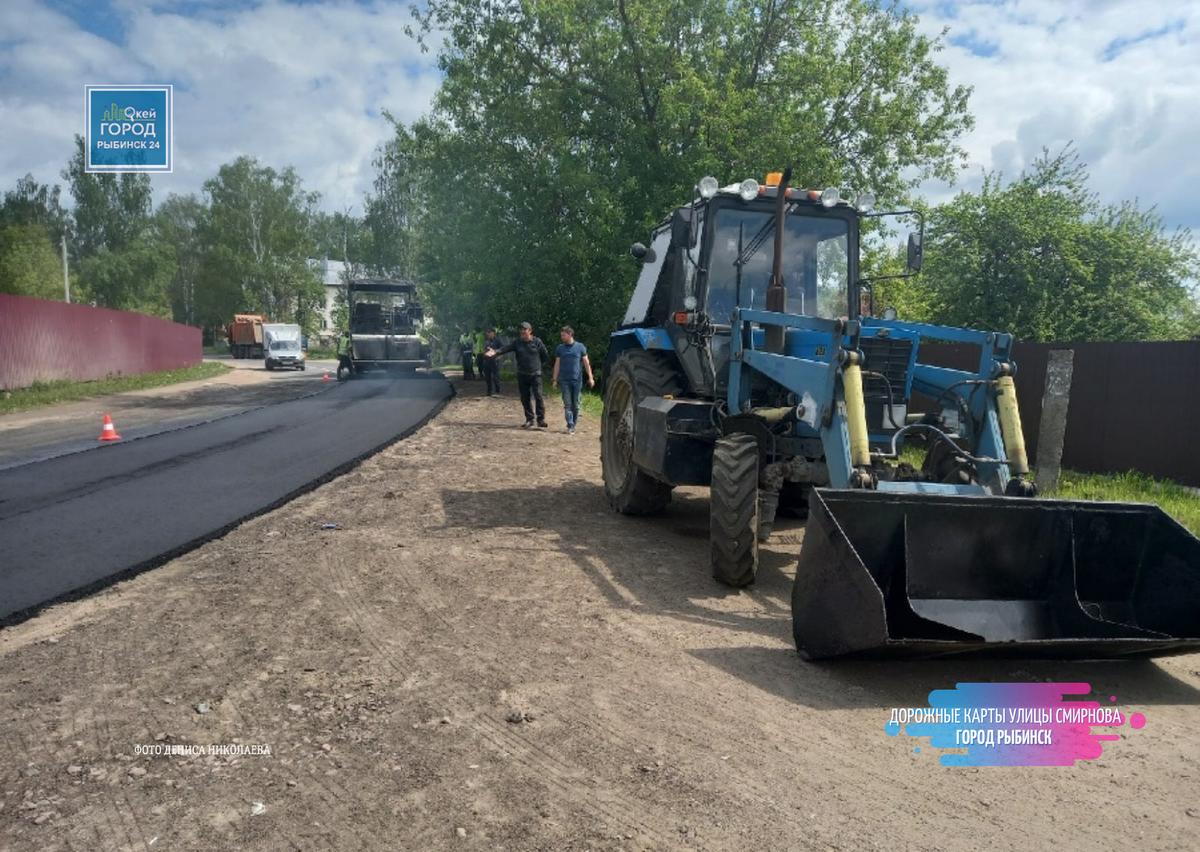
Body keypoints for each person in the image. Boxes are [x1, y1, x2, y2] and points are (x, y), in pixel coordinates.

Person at [487, 321, 548, 428]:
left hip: (535, 374)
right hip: (522, 374)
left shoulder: (537, 342)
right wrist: (495, 352)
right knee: (525, 398)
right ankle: (529, 419)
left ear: (530, 330)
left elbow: (544, 355)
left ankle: (541, 419)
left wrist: (537, 365)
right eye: (521, 330)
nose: (522, 331)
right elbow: (506, 348)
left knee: (538, 396)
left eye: (524, 329)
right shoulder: (517, 342)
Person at [551, 325, 594, 434]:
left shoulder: (580, 347)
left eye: (563, 335)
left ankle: (574, 424)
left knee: (576, 404)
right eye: (561, 335)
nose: (562, 337)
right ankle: (570, 425)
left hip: (577, 380)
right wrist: (555, 379)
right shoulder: (560, 349)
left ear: (570, 334)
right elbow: (557, 364)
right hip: (564, 380)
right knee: (568, 404)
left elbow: (586, 363)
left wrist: (590, 377)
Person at [480, 327, 503, 396]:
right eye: (487, 332)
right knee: (487, 377)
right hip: (487, 361)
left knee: (495, 377)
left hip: (494, 361)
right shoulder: (487, 341)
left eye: (489, 332)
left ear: (493, 333)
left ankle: (497, 392)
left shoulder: (497, 341)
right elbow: (485, 350)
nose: (488, 334)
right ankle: (489, 392)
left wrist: (498, 358)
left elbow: (502, 350)